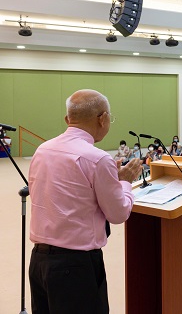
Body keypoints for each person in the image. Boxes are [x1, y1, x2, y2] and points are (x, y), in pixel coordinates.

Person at [28, 89, 142, 313]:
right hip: (76, 266)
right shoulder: (98, 158)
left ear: (67, 119)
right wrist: (125, 183)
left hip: (39, 262)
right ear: (103, 119)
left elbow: (67, 193)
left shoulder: (42, 150)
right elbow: (118, 214)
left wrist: (110, 181)